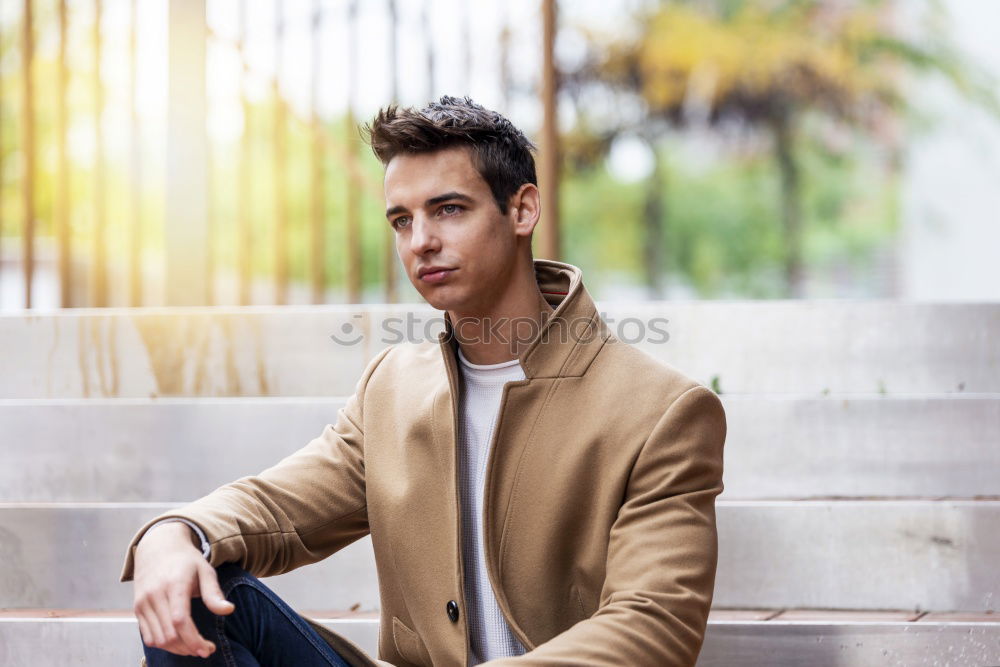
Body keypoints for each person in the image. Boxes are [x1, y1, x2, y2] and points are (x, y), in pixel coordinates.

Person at [120, 95, 727, 667]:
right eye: (401, 221)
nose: (421, 243)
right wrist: (177, 533)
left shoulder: (660, 411)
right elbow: (278, 506)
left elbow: (655, 624)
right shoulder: (394, 386)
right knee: (194, 592)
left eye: (448, 209)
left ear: (522, 209)